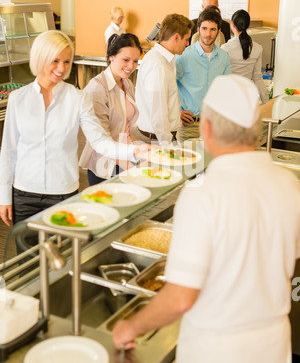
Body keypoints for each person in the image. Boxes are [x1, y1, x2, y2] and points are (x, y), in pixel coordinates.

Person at [112, 74, 300, 363]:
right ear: (255, 130)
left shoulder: (203, 194)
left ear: (207, 129)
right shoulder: (289, 185)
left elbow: (180, 298)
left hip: (219, 357)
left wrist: (131, 327)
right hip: (272, 348)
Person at [0, 30, 149, 233]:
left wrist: (134, 152)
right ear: (40, 58)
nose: (62, 68)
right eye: (55, 60)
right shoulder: (18, 99)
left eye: (67, 62)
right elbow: (9, 151)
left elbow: (100, 141)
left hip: (63, 193)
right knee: (28, 260)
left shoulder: (78, 99)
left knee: (63, 257)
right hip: (24, 194)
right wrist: (4, 197)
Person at [79, 33, 141, 185]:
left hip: (126, 158)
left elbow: (125, 128)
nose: (131, 66)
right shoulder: (97, 88)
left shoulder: (127, 84)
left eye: (135, 61)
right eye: (125, 60)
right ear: (111, 57)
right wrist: (135, 168)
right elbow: (102, 141)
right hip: (105, 165)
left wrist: (137, 157)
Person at [133, 14, 193, 146]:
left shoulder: (164, 59)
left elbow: (162, 100)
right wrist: (168, 147)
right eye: (187, 39)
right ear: (176, 37)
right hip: (156, 139)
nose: (188, 44)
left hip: (158, 136)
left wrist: (175, 112)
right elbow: (157, 114)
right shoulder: (158, 66)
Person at [176, 8, 230, 142]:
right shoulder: (184, 55)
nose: (208, 34)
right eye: (204, 28)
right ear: (198, 29)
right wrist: (177, 111)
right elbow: (169, 87)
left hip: (214, 126)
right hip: (189, 126)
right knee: (187, 163)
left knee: (211, 163)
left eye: (213, 29)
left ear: (218, 32)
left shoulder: (224, 57)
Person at [221, 9, 269, 104]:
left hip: (229, 97)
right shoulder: (258, 48)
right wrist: (266, 103)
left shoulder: (226, 48)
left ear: (232, 25)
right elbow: (257, 78)